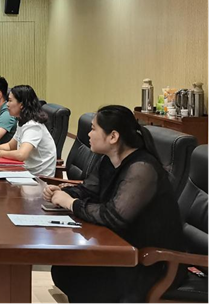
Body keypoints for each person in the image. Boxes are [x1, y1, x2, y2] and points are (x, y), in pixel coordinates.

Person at [46, 105, 185, 303]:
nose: (88, 134)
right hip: (123, 249)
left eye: (93, 129)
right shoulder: (108, 160)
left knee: (82, 279)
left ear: (113, 137)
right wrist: (61, 193)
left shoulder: (142, 168)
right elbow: (89, 190)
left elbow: (113, 216)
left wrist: (71, 203)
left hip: (151, 262)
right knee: (65, 269)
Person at [0, 85, 56, 176]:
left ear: (22, 105)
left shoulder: (33, 126)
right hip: (25, 171)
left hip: (38, 178)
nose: (7, 104)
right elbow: (10, 145)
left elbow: (21, 155)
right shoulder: (22, 121)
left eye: (10, 101)